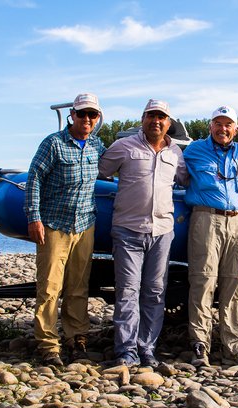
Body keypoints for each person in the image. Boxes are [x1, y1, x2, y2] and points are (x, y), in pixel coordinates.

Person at [98, 99, 189, 367]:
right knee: (127, 291)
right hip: (128, 230)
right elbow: (100, 171)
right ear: (143, 119)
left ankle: (146, 347)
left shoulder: (176, 153)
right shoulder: (123, 146)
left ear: (168, 123)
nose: (156, 121)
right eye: (151, 116)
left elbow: (186, 180)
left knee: (155, 292)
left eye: (161, 117)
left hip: (162, 232)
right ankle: (126, 350)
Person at [25, 93, 106, 366]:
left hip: (85, 225)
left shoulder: (97, 145)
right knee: (49, 287)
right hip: (54, 225)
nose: (86, 119)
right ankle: (48, 345)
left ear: (97, 118)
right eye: (82, 113)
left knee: (78, 286)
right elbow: (34, 179)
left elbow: (113, 170)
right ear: (72, 114)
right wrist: (34, 218)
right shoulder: (53, 143)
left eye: (92, 115)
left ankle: (76, 339)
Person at [183, 105, 238, 367]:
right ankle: (200, 344)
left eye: (228, 125)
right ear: (210, 126)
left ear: (235, 128)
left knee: (233, 285)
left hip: (236, 221)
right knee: (203, 282)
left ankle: (231, 346)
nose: (223, 129)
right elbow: (177, 177)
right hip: (205, 218)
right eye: (218, 123)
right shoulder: (193, 151)